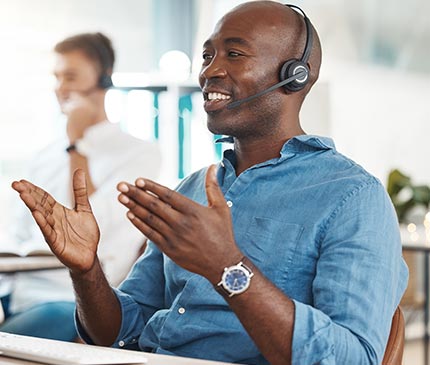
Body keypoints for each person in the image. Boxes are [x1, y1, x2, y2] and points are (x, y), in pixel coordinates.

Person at [12, 2, 408, 364]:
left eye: (234, 54)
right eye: (207, 55)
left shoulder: (353, 197)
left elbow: (352, 359)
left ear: (295, 75)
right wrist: (86, 271)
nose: (209, 71)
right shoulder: (193, 188)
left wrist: (226, 265)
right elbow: (121, 332)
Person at [1, 32, 161, 341]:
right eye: (57, 77)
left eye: (71, 76)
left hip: (68, 301)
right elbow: (17, 236)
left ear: (104, 79)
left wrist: (77, 142)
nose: (61, 88)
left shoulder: (139, 153)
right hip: (19, 295)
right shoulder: (45, 154)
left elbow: (84, 222)